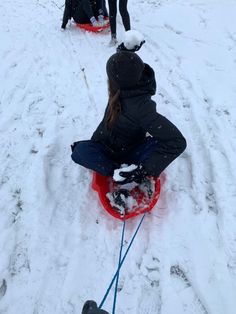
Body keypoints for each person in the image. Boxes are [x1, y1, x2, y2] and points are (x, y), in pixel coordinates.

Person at [71, 50, 187, 209]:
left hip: (133, 151)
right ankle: (119, 172)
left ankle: (138, 179)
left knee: (157, 144)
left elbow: (177, 142)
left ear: (116, 81)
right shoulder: (122, 88)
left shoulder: (142, 108)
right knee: (79, 151)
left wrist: (142, 170)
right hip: (106, 147)